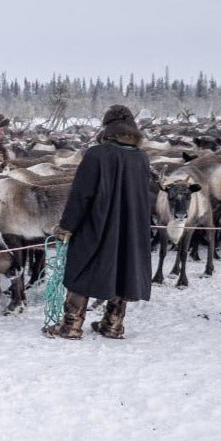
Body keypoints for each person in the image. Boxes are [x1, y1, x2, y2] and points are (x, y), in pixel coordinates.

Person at [42, 104, 152, 340]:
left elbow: (81, 195)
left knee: (81, 268)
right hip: (131, 227)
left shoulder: (96, 154)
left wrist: (67, 226)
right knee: (123, 269)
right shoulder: (141, 158)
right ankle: (113, 324)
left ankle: (71, 326)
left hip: (97, 224)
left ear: (107, 127)